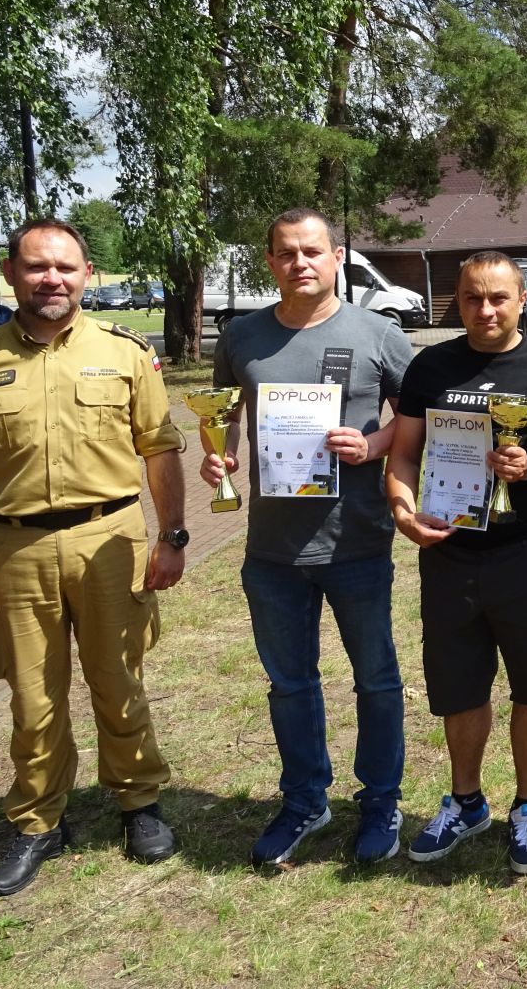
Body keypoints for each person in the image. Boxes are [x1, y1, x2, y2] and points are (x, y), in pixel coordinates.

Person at [0, 219, 186, 897]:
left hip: (110, 541)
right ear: (11, 273)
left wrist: (173, 535)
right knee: (32, 694)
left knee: (119, 678)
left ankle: (139, 801)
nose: (53, 279)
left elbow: (160, 448)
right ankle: (39, 820)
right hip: (13, 548)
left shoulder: (125, 352)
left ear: (86, 274)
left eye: (66, 268)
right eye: (38, 267)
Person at [201, 208, 413, 867]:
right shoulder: (242, 337)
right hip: (272, 550)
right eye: (287, 252)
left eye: (313, 251)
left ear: (336, 256)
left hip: (356, 542)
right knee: (290, 684)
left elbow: (418, 418)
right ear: (270, 261)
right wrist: (219, 458)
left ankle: (381, 801)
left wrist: (373, 444)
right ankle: (304, 801)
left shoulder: (378, 334)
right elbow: (225, 415)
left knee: (376, 680)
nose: (301, 263)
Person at [385, 251, 527, 876]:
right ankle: (466, 801)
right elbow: (404, 454)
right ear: (459, 302)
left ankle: (526, 805)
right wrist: (402, 511)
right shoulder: (430, 366)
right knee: (459, 687)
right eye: (473, 297)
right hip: (451, 556)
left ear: (522, 300)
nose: (486, 310)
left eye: (499, 297)